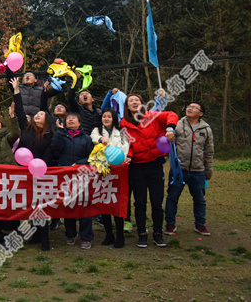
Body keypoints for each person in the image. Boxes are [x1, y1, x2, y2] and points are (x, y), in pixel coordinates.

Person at [121, 91, 178, 248]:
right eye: (131, 101)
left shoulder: (153, 116)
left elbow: (171, 115)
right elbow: (127, 145)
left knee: (157, 202)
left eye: (137, 100)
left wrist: (170, 128)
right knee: (139, 202)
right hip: (136, 167)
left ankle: (158, 234)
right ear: (127, 106)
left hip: (155, 165)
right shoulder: (124, 124)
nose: (134, 102)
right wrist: (129, 156)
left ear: (142, 103)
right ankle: (142, 234)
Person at [10, 77, 54, 250]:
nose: (37, 116)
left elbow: (49, 156)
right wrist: (16, 90)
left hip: (40, 174)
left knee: (40, 207)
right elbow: (20, 110)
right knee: (27, 205)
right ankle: (34, 235)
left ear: (47, 120)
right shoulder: (25, 128)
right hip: (23, 172)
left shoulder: (50, 136)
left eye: (41, 115)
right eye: (36, 115)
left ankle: (44, 240)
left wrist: (42, 168)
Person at [164, 102, 214, 237]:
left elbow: (209, 151)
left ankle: (200, 224)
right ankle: (169, 223)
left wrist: (208, 170)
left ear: (201, 114)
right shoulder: (179, 125)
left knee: (199, 199)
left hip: (198, 170)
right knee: (172, 197)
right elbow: (168, 134)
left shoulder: (206, 129)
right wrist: (169, 132)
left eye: (194, 107)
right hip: (179, 170)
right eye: (189, 106)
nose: (190, 108)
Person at [49, 113, 95, 249]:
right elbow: (55, 148)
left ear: (80, 123)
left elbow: (91, 156)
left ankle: (86, 237)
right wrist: (59, 131)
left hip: (82, 176)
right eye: (68, 118)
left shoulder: (86, 139)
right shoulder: (61, 135)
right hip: (65, 176)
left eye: (74, 118)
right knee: (68, 205)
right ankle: (70, 234)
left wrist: (78, 163)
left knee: (84, 207)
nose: (70, 120)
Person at [90, 108, 129, 247]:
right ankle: (109, 235)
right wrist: (102, 139)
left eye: (109, 117)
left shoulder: (122, 133)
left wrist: (120, 159)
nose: (106, 119)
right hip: (102, 171)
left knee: (117, 203)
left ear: (114, 118)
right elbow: (94, 138)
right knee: (104, 203)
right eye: (104, 117)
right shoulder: (97, 130)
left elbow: (125, 149)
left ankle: (120, 236)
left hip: (118, 170)